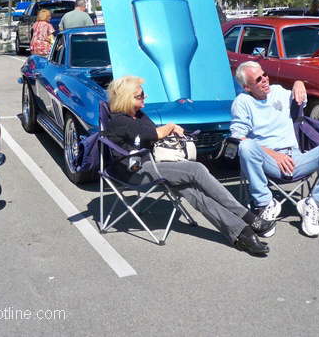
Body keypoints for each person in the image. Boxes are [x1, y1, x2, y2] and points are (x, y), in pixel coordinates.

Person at [104, 75, 276, 256]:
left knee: (193, 191)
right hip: (134, 172)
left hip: (150, 164)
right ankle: (248, 217)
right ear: (125, 99)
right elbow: (154, 133)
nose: (145, 97)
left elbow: (153, 133)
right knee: (196, 169)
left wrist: (167, 131)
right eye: (139, 96)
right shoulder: (120, 121)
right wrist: (170, 126)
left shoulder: (137, 114)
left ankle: (242, 234)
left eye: (143, 94)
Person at [231, 61, 319, 238]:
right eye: (258, 79)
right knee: (246, 146)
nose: (265, 80)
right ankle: (265, 203)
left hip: (296, 158)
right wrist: (273, 154)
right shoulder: (242, 102)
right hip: (269, 160)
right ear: (247, 87)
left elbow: (300, 98)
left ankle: (314, 203)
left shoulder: (278, 91)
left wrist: (299, 83)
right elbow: (237, 137)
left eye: (265, 75)